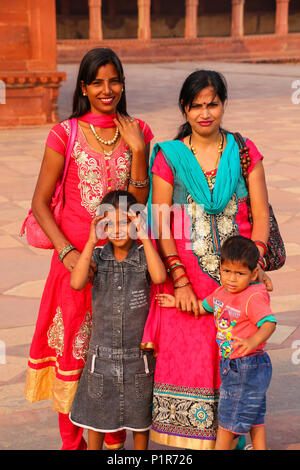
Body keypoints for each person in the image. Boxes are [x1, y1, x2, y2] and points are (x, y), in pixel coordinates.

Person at [24, 48, 153, 450]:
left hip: (123, 264)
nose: (107, 89)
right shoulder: (65, 133)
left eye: (114, 80)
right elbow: (40, 203)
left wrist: (138, 152)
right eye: (97, 82)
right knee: (74, 352)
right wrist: (67, 251)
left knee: (117, 352)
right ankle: (72, 444)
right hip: (75, 263)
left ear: (123, 83)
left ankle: (114, 443)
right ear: (83, 87)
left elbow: (140, 204)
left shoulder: (140, 131)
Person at [143, 69, 272, 449]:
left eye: (212, 103)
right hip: (189, 280)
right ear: (184, 108)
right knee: (192, 364)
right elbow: (161, 220)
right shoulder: (170, 156)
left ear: (222, 105)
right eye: (196, 105)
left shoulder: (244, 151)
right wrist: (179, 279)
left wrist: (255, 264)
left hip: (238, 279)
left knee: (236, 358)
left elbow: (261, 214)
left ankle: (233, 440)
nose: (205, 113)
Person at [156, 235, 276, 450]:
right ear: (219, 268)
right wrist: (176, 302)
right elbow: (203, 307)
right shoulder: (221, 293)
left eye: (240, 273)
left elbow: (269, 323)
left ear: (254, 273)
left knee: (228, 421)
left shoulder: (253, 296)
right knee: (253, 413)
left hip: (247, 364)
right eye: (227, 271)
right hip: (233, 364)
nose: (231, 278)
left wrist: (252, 340)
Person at [69, 190, 166, 450]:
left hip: (138, 358)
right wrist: (90, 242)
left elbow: (158, 277)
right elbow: (76, 282)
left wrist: (144, 236)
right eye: (109, 223)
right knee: (97, 420)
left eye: (125, 223)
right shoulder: (98, 258)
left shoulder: (144, 257)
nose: (118, 230)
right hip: (101, 357)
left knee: (140, 421)